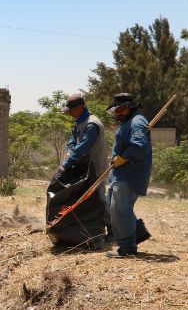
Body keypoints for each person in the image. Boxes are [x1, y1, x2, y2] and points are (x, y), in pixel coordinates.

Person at [105, 93, 152, 258]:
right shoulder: (128, 122)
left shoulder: (137, 121)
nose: (118, 113)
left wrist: (124, 158)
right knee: (113, 209)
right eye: (116, 110)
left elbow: (139, 146)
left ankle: (127, 248)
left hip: (129, 175)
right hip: (119, 174)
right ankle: (138, 233)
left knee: (120, 210)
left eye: (121, 109)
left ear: (131, 106)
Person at [56, 93, 110, 234]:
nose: (69, 114)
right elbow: (73, 142)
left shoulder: (92, 124)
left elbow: (82, 148)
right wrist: (69, 152)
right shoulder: (79, 122)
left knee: (99, 198)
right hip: (85, 167)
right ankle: (91, 229)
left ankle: (114, 230)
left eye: (71, 111)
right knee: (86, 198)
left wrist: (65, 165)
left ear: (81, 107)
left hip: (96, 166)